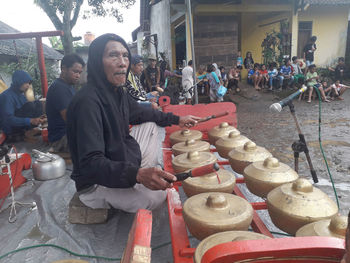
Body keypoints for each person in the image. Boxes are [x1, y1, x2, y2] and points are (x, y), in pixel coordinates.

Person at [66, 33, 200, 213]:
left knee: (150, 124)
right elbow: (91, 164)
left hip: (119, 159)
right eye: (113, 55)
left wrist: (177, 120)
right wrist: (136, 174)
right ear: (98, 62)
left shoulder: (118, 92)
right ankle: (136, 180)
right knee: (158, 195)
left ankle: (141, 176)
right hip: (96, 183)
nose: (122, 62)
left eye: (125, 56)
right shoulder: (87, 102)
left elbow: (143, 113)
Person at [46, 54, 85, 153]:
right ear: (63, 69)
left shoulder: (68, 86)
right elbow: (70, 118)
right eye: (75, 71)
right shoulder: (59, 88)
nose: (78, 76)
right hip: (61, 139)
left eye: (80, 73)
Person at [0, 70, 45, 141]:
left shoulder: (21, 95)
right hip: (10, 131)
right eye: (26, 83)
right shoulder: (6, 96)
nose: (28, 85)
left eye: (29, 83)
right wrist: (30, 121)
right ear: (18, 82)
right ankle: (25, 133)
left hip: (21, 126)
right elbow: (8, 120)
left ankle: (30, 130)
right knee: (31, 105)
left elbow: (27, 113)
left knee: (38, 103)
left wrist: (38, 118)